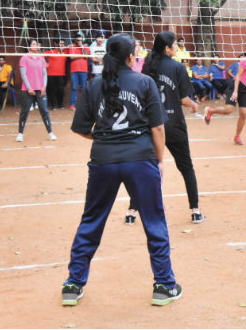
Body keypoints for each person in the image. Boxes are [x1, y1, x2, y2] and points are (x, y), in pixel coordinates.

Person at [62, 33, 181, 307]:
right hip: (140, 159)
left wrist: (106, 140)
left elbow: (81, 128)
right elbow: (158, 127)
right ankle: (164, 285)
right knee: (153, 219)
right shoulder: (144, 82)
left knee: (91, 219)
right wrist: (160, 160)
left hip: (103, 160)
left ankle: (73, 284)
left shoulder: (93, 86)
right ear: (130, 57)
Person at [135, 31, 205, 224]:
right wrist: (194, 105)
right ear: (167, 48)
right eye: (175, 44)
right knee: (186, 168)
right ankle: (196, 211)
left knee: (146, 167)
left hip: (152, 123)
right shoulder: (177, 67)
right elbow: (184, 99)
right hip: (173, 124)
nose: (177, 47)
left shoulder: (148, 65)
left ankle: (132, 212)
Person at [204, 43, 246, 145]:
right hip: (237, 85)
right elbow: (238, 76)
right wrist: (235, 91)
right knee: (228, 110)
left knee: (243, 113)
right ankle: (210, 111)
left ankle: (237, 136)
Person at [15, 40, 56, 142]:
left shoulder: (41, 58)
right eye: (33, 44)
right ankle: (20, 134)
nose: (36, 46)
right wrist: (29, 88)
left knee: (44, 111)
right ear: (29, 47)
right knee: (24, 111)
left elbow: (44, 74)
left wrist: (44, 86)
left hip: (40, 89)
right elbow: (23, 75)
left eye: (37, 44)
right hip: (28, 90)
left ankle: (50, 133)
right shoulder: (24, 58)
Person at [67, 33, 91, 110]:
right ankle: (72, 105)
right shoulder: (72, 47)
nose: (79, 41)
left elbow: (87, 56)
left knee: (84, 87)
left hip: (83, 70)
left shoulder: (86, 47)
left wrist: (82, 47)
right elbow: (71, 57)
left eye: (80, 39)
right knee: (74, 87)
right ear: (75, 40)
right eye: (78, 40)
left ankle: (83, 104)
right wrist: (81, 55)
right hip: (74, 70)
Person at [47, 38, 69, 110]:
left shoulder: (66, 51)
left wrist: (65, 47)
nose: (62, 45)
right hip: (50, 74)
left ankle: (60, 104)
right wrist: (45, 64)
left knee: (61, 89)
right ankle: (54, 105)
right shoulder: (51, 52)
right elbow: (41, 56)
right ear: (56, 44)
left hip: (61, 74)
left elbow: (72, 46)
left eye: (63, 43)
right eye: (60, 43)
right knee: (52, 90)